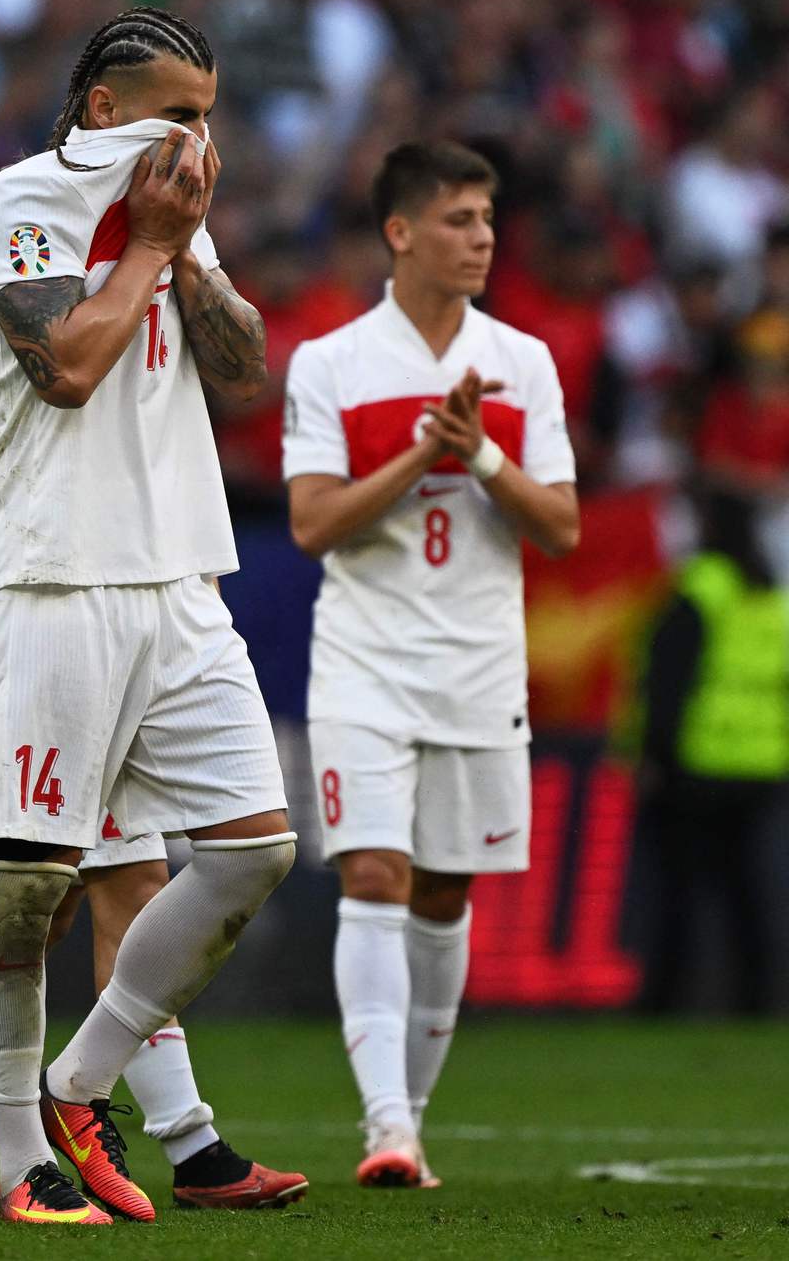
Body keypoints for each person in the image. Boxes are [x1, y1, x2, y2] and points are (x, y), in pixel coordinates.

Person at [0, 5, 296, 1227]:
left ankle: (80, 1081)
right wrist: (151, 244)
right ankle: (13, 1161)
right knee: (29, 889)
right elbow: (70, 364)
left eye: (208, 114)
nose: (197, 137)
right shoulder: (23, 200)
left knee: (255, 849)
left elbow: (244, 366)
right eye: (173, 113)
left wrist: (190, 251)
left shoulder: (179, 217)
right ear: (102, 110)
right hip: (52, 584)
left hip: (179, 581)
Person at [0, 363, 307, 1216]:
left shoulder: (145, 363)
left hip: (141, 648)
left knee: (98, 895)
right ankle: (184, 1143)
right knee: (71, 894)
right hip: (58, 650)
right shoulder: (12, 362)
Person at [283, 140, 580, 1187]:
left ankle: (408, 1118)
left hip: (478, 668)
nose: (481, 238)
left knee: (444, 894)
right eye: (459, 220)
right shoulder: (329, 363)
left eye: (487, 220)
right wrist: (420, 453)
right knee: (373, 870)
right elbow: (312, 524)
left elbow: (559, 526)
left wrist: (480, 455)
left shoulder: (523, 363)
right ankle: (383, 1128)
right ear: (399, 233)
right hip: (363, 660)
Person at [634, 486, 785, 1014]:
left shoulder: (700, 589)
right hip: (762, 763)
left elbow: (667, 682)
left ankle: (665, 999)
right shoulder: (772, 597)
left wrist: (654, 753)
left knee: (679, 888)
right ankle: (757, 1000)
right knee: (749, 890)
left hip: (698, 760)